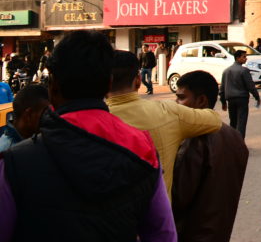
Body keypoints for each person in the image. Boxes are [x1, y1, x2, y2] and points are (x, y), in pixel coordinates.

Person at [0, 30, 176, 241]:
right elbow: (162, 234)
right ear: (109, 83)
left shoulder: (15, 162)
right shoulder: (143, 149)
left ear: (52, 85)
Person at [107, 49, 223, 196]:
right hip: (157, 216)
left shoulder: (89, 121)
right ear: (138, 80)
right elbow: (214, 120)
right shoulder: (168, 112)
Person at [172, 71, 249, 242]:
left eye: (181, 98)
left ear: (201, 101)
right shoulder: (234, 136)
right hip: (221, 232)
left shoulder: (196, 138)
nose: (176, 103)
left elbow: (178, 198)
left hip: (191, 233)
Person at [219, 49, 261, 138]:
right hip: (242, 99)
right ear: (238, 58)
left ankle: (233, 142)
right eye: (244, 57)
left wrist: (223, 102)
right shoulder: (244, 70)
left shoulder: (226, 71)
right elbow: (250, 86)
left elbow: (222, 89)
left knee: (233, 122)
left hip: (230, 100)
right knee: (241, 122)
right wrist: (257, 97)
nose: (246, 59)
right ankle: (240, 143)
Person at [0, 83, 49, 154]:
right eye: (46, 113)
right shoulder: (6, 155)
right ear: (29, 115)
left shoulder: (5, 86)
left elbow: (11, 100)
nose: (49, 118)